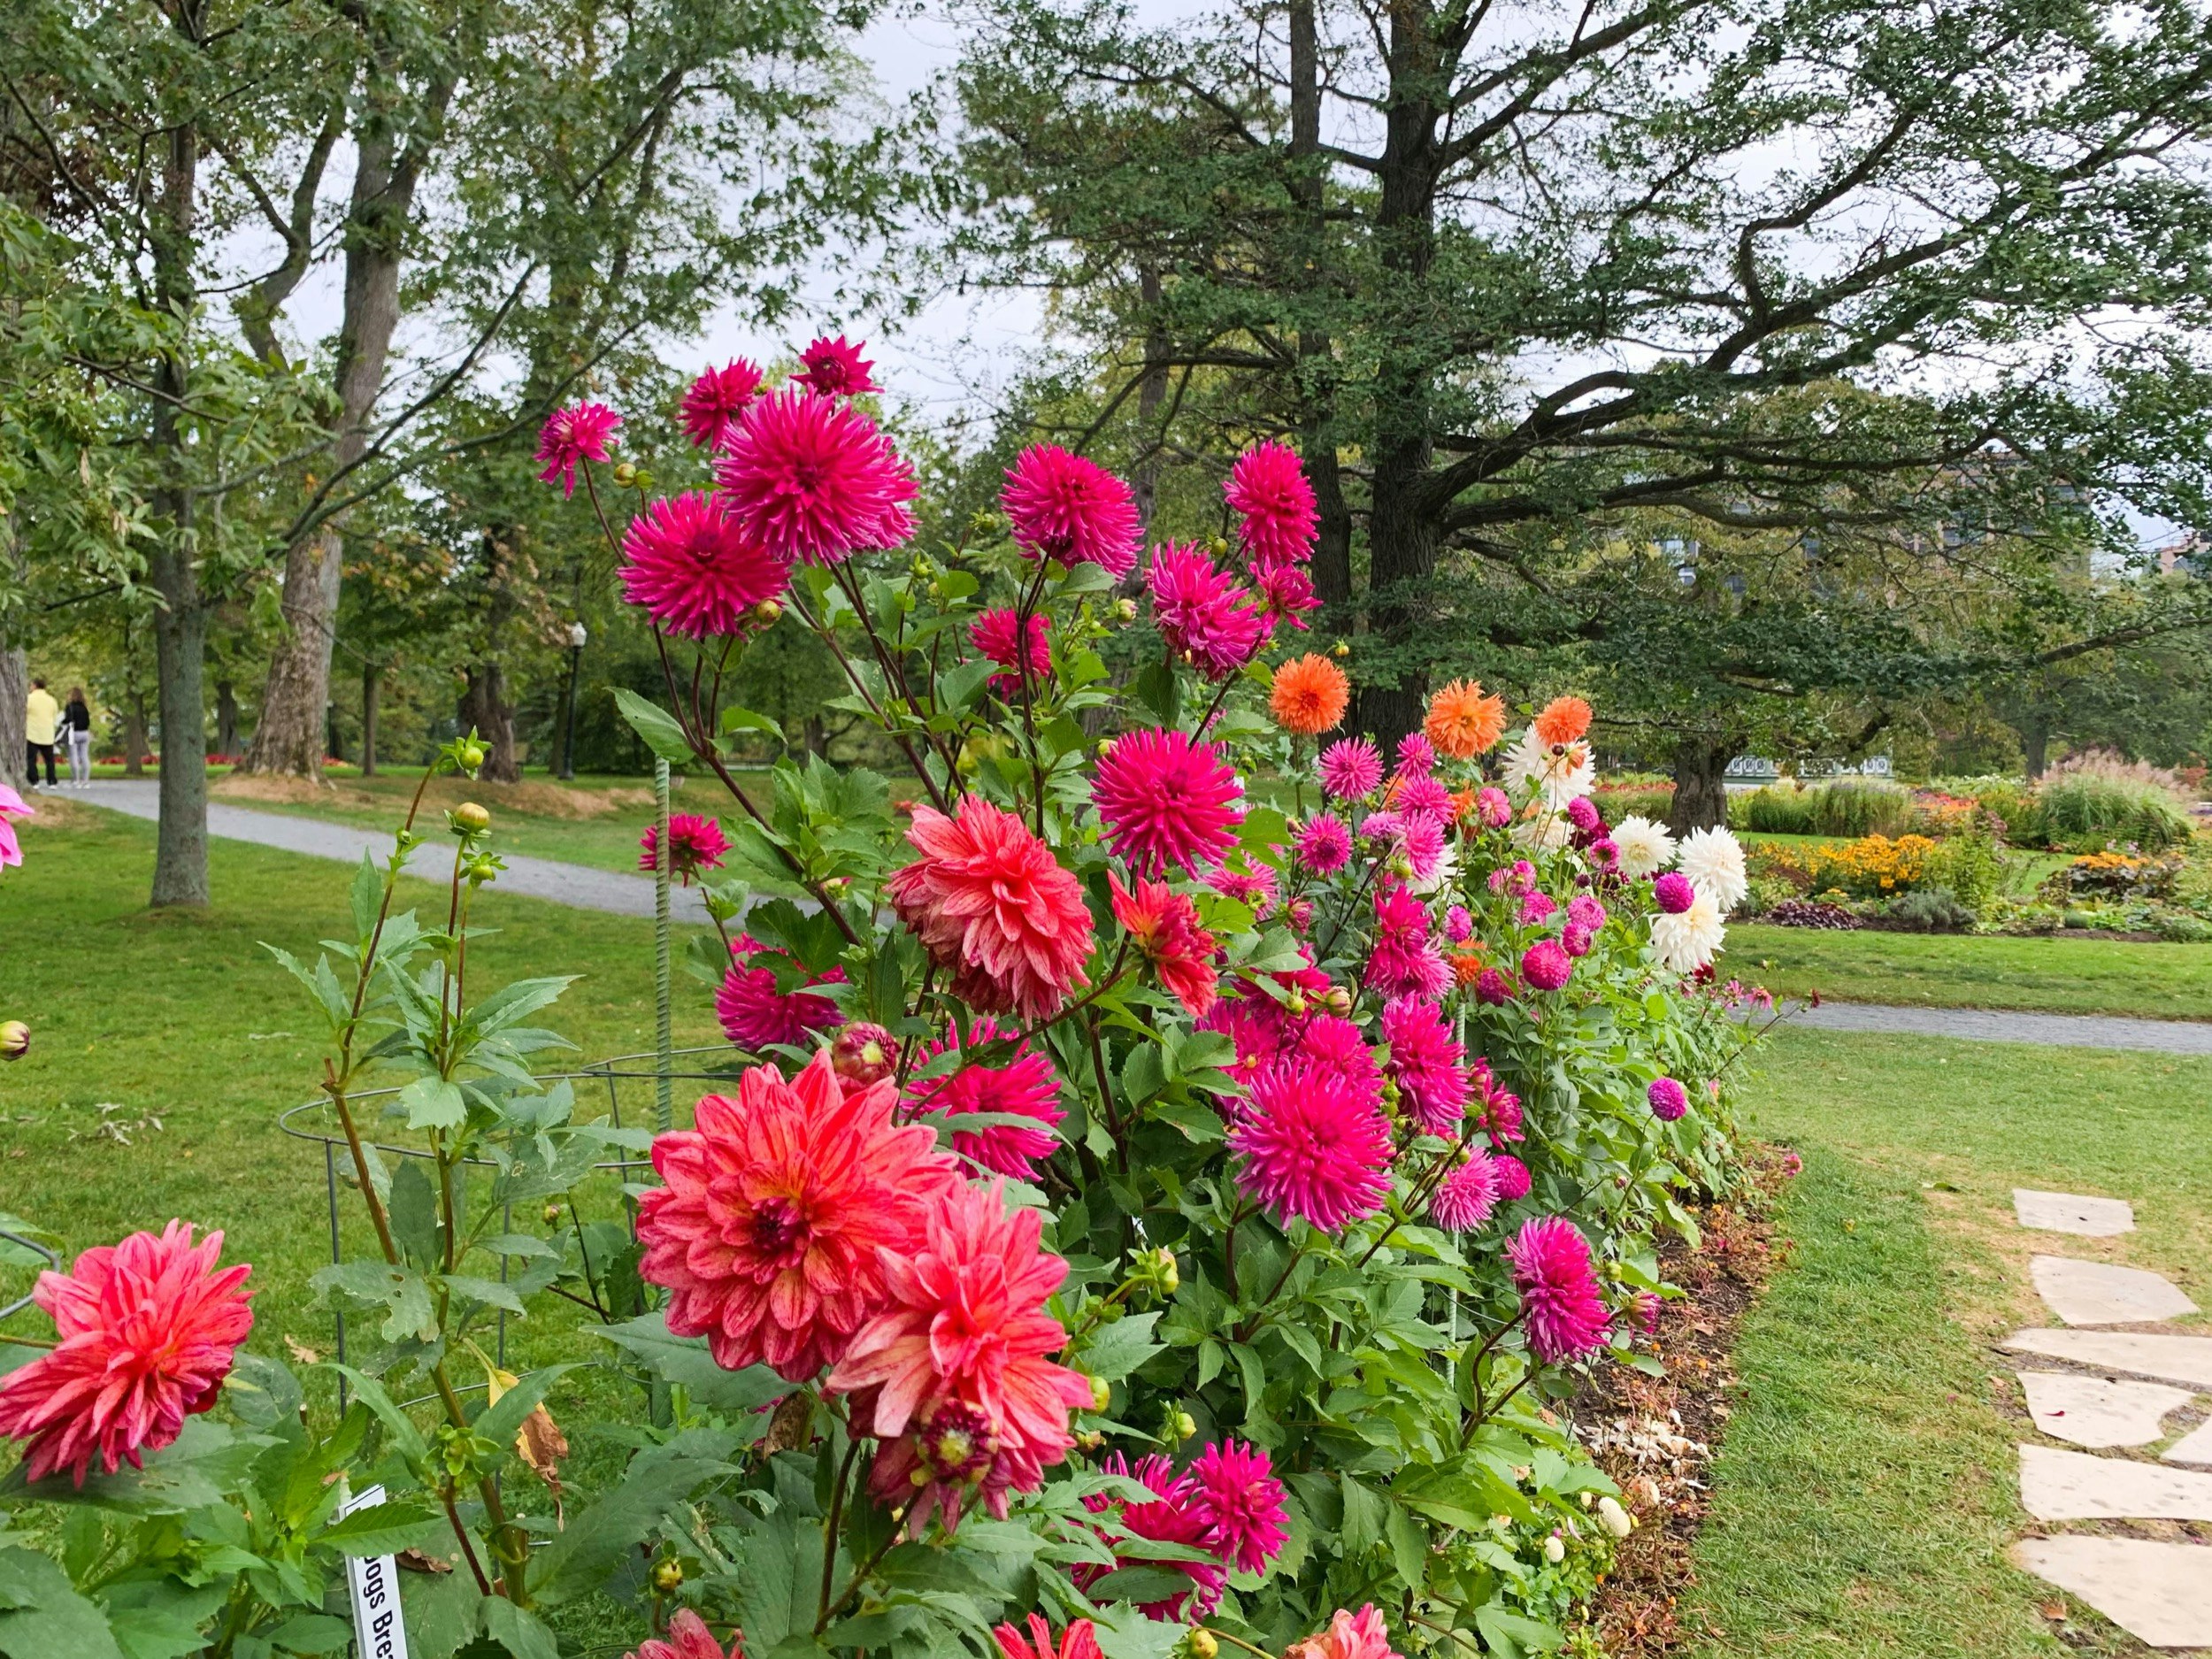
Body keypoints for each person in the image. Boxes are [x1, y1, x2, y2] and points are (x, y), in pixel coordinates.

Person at [22, 678, 57, 788]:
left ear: (35, 686)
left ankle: (34, 780)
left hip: (33, 733)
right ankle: (52, 781)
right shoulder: (51, 700)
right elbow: (54, 714)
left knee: (31, 759)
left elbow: (24, 711)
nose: (30, 687)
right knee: (50, 760)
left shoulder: (30, 699)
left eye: (31, 685)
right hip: (47, 734)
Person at [62, 687, 91, 787]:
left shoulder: (70, 706)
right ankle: (85, 781)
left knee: (73, 756)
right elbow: (88, 722)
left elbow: (68, 719)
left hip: (74, 733)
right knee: (84, 756)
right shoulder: (84, 707)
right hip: (85, 733)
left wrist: (62, 722)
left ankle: (76, 780)